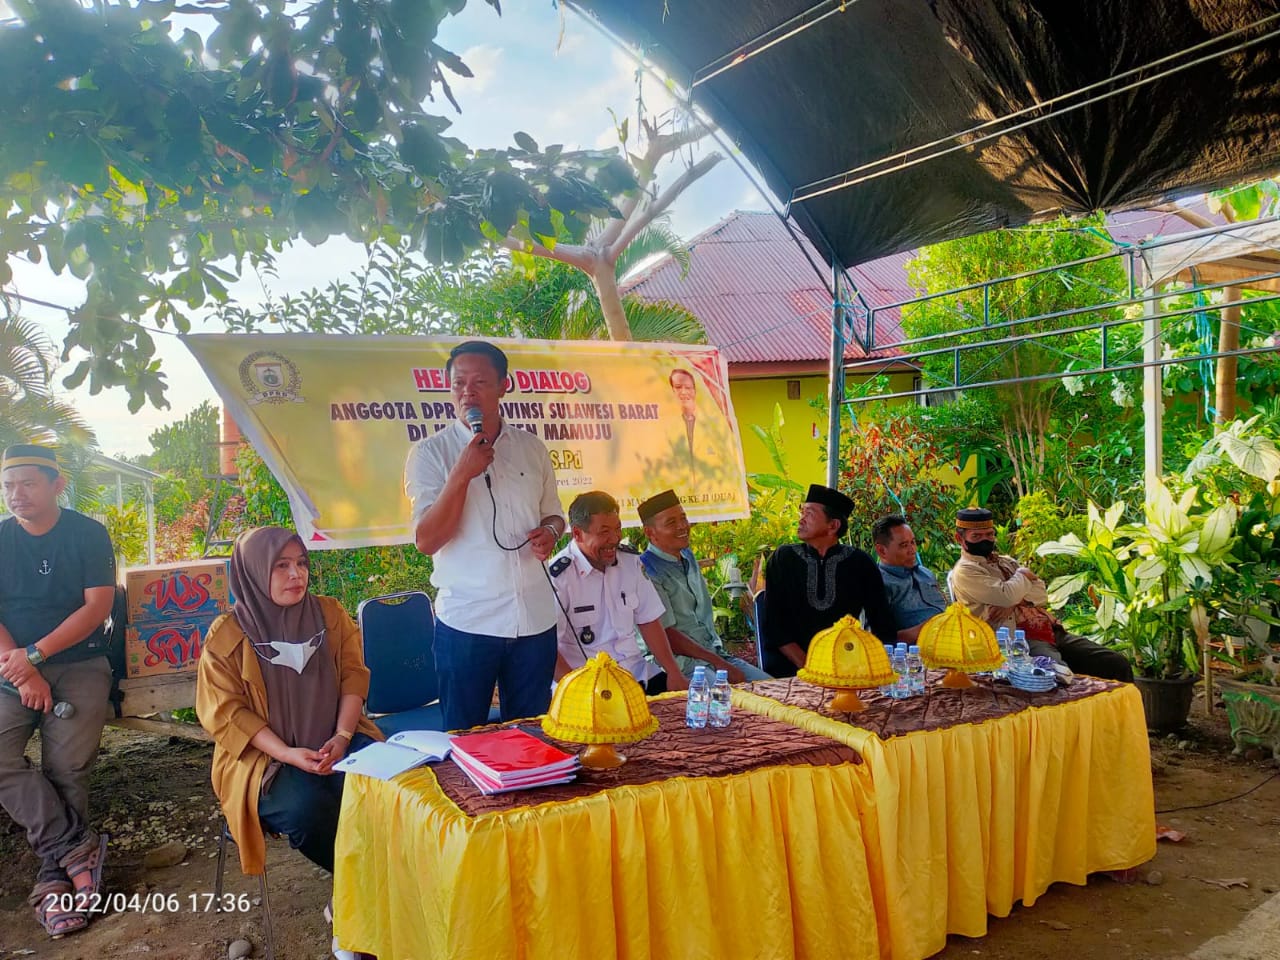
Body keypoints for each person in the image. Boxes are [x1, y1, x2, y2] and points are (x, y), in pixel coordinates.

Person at [196, 527, 382, 960]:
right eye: (281, 566)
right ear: (253, 572)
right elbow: (226, 714)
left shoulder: (330, 615)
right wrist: (287, 753)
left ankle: (354, 903)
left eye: (301, 563)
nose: (295, 575)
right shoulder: (227, 635)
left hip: (338, 739)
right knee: (306, 810)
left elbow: (355, 675)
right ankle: (361, 904)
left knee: (384, 788)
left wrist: (340, 736)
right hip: (264, 762)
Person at [404, 341, 565, 730]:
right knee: (465, 740)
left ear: (503, 386)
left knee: (532, 736)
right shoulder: (431, 454)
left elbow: (555, 515)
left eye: (479, 382)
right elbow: (426, 541)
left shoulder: (531, 448)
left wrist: (549, 532)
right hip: (468, 623)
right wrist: (462, 473)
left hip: (534, 621)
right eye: (459, 383)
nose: (467, 392)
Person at [0, 444, 115, 940]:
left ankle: (51, 880)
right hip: (10, 667)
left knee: (66, 766)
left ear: (56, 485)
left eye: (27, 483)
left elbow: (97, 607)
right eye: (8, 486)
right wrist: (22, 669)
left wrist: (37, 657)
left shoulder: (87, 534)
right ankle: (73, 848)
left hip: (81, 662)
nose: (15, 494)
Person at [948, 506, 1133, 682]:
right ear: (959, 538)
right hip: (1019, 641)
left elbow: (1041, 594)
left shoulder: (1006, 562)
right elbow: (1007, 595)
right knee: (1060, 677)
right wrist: (1022, 576)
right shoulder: (966, 571)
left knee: (1116, 663)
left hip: (1050, 630)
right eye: (977, 536)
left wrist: (1013, 603)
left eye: (989, 534)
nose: (985, 540)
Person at [549, 491, 689, 694]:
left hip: (635, 675)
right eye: (604, 532)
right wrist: (577, 691)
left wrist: (673, 671)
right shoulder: (559, 577)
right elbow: (548, 649)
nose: (614, 539)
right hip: (587, 686)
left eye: (617, 529)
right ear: (578, 534)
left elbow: (649, 621)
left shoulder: (630, 563)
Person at [762, 484, 895, 677]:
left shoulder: (860, 562)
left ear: (833, 526)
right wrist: (810, 667)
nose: (801, 519)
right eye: (802, 512)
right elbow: (774, 626)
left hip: (846, 666)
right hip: (789, 668)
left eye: (810, 514)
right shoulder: (783, 558)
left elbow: (882, 622)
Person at [638, 489, 770, 682]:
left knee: (772, 690)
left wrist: (720, 660)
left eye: (683, 518)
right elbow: (666, 634)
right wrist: (719, 664)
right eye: (671, 523)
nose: (683, 526)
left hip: (714, 655)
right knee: (727, 706)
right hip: (681, 665)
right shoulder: (646, 571)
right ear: (650, 532)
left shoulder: (686, 555)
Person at [871, 514, 948, 642]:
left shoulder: (926, 574)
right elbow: (879, 639)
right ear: (881, 550)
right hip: (911, 656)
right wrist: (931, 627)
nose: (912, 550)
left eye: (913, 542)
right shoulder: (878, 585)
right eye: (904, 545)